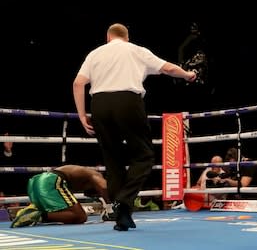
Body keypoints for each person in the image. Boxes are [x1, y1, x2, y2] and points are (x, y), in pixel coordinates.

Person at [72, 23, 196, 231]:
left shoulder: (95, 53)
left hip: (99, 104)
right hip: (128, 101)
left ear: (108, 37)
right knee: (144, 155)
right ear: (126, 37)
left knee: (113, 160)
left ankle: (122, 215)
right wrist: (187, 74)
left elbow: (78, 83)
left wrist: (82, 115)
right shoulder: (135, 50)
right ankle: (124, 200)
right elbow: (167, 68)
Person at [10, 165, 110, 228]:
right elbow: (103, 187)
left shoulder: (80, 178)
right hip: (50, 181)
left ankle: (30, 212)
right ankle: (38, 215)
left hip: (36, 183)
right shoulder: (96, 174)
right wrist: (110, 207)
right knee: (80, 217)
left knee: (69, 214)